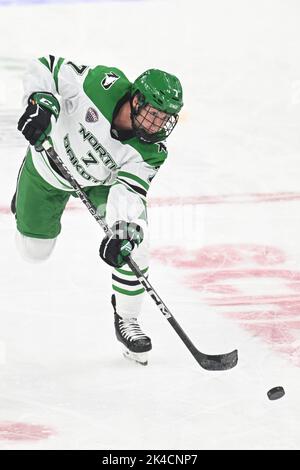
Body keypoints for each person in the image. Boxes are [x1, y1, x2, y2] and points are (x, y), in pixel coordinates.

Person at [12, 55, 183, 365]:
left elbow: (129, 191)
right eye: (152, 115)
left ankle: (127, 319)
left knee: (135, 243)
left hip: (100, 184)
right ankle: (23, 190)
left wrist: (123, 230)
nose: (157, 126)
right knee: (34, 250)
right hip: (48, 169)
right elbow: (47, 66)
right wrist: (41, 103)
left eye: (164, 120)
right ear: (135, 100)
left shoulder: (151, 151)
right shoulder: (99, 84)